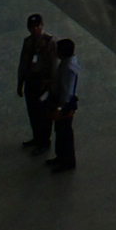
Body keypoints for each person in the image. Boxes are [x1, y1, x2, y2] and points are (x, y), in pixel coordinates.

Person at [17, 15, 58, 152]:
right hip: (31, 80)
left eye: (37, 26)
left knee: (44, 113)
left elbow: (53, 65)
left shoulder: (49, 42)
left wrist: (51, 84)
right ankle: (36, 137)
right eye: (32, 27)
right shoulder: (28, 42)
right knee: (33, 111)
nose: (35, 29)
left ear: (42, 25)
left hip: (43, 82)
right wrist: (20, 82)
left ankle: (44, 141)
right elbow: (23, 63)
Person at [46, 36, 80, 171]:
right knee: (60, 131)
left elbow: (66, 91)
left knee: (64, 132)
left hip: (64, 105)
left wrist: (59, 108)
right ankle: (61, 157)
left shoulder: (68, 67)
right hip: (64, 102)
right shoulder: (70, 62)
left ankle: (67, 161)